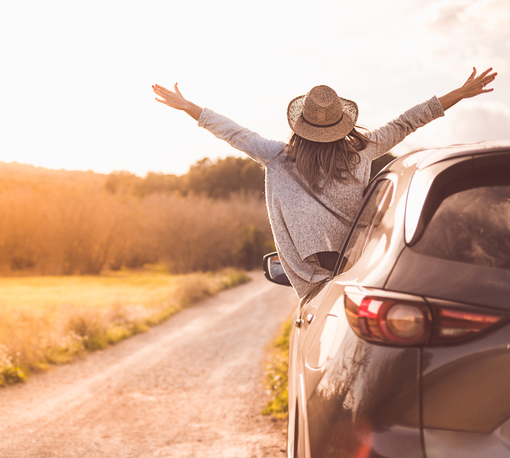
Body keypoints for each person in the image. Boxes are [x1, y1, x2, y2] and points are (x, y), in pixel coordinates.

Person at [152, 67, 497, 300]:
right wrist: (459, 93)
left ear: (301, 123)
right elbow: (409, 120)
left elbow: (234, 133)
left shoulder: (277, 157)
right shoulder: (363, 151)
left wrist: (189, 108)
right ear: (342, 123)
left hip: (317, 284)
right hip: (364, 272)